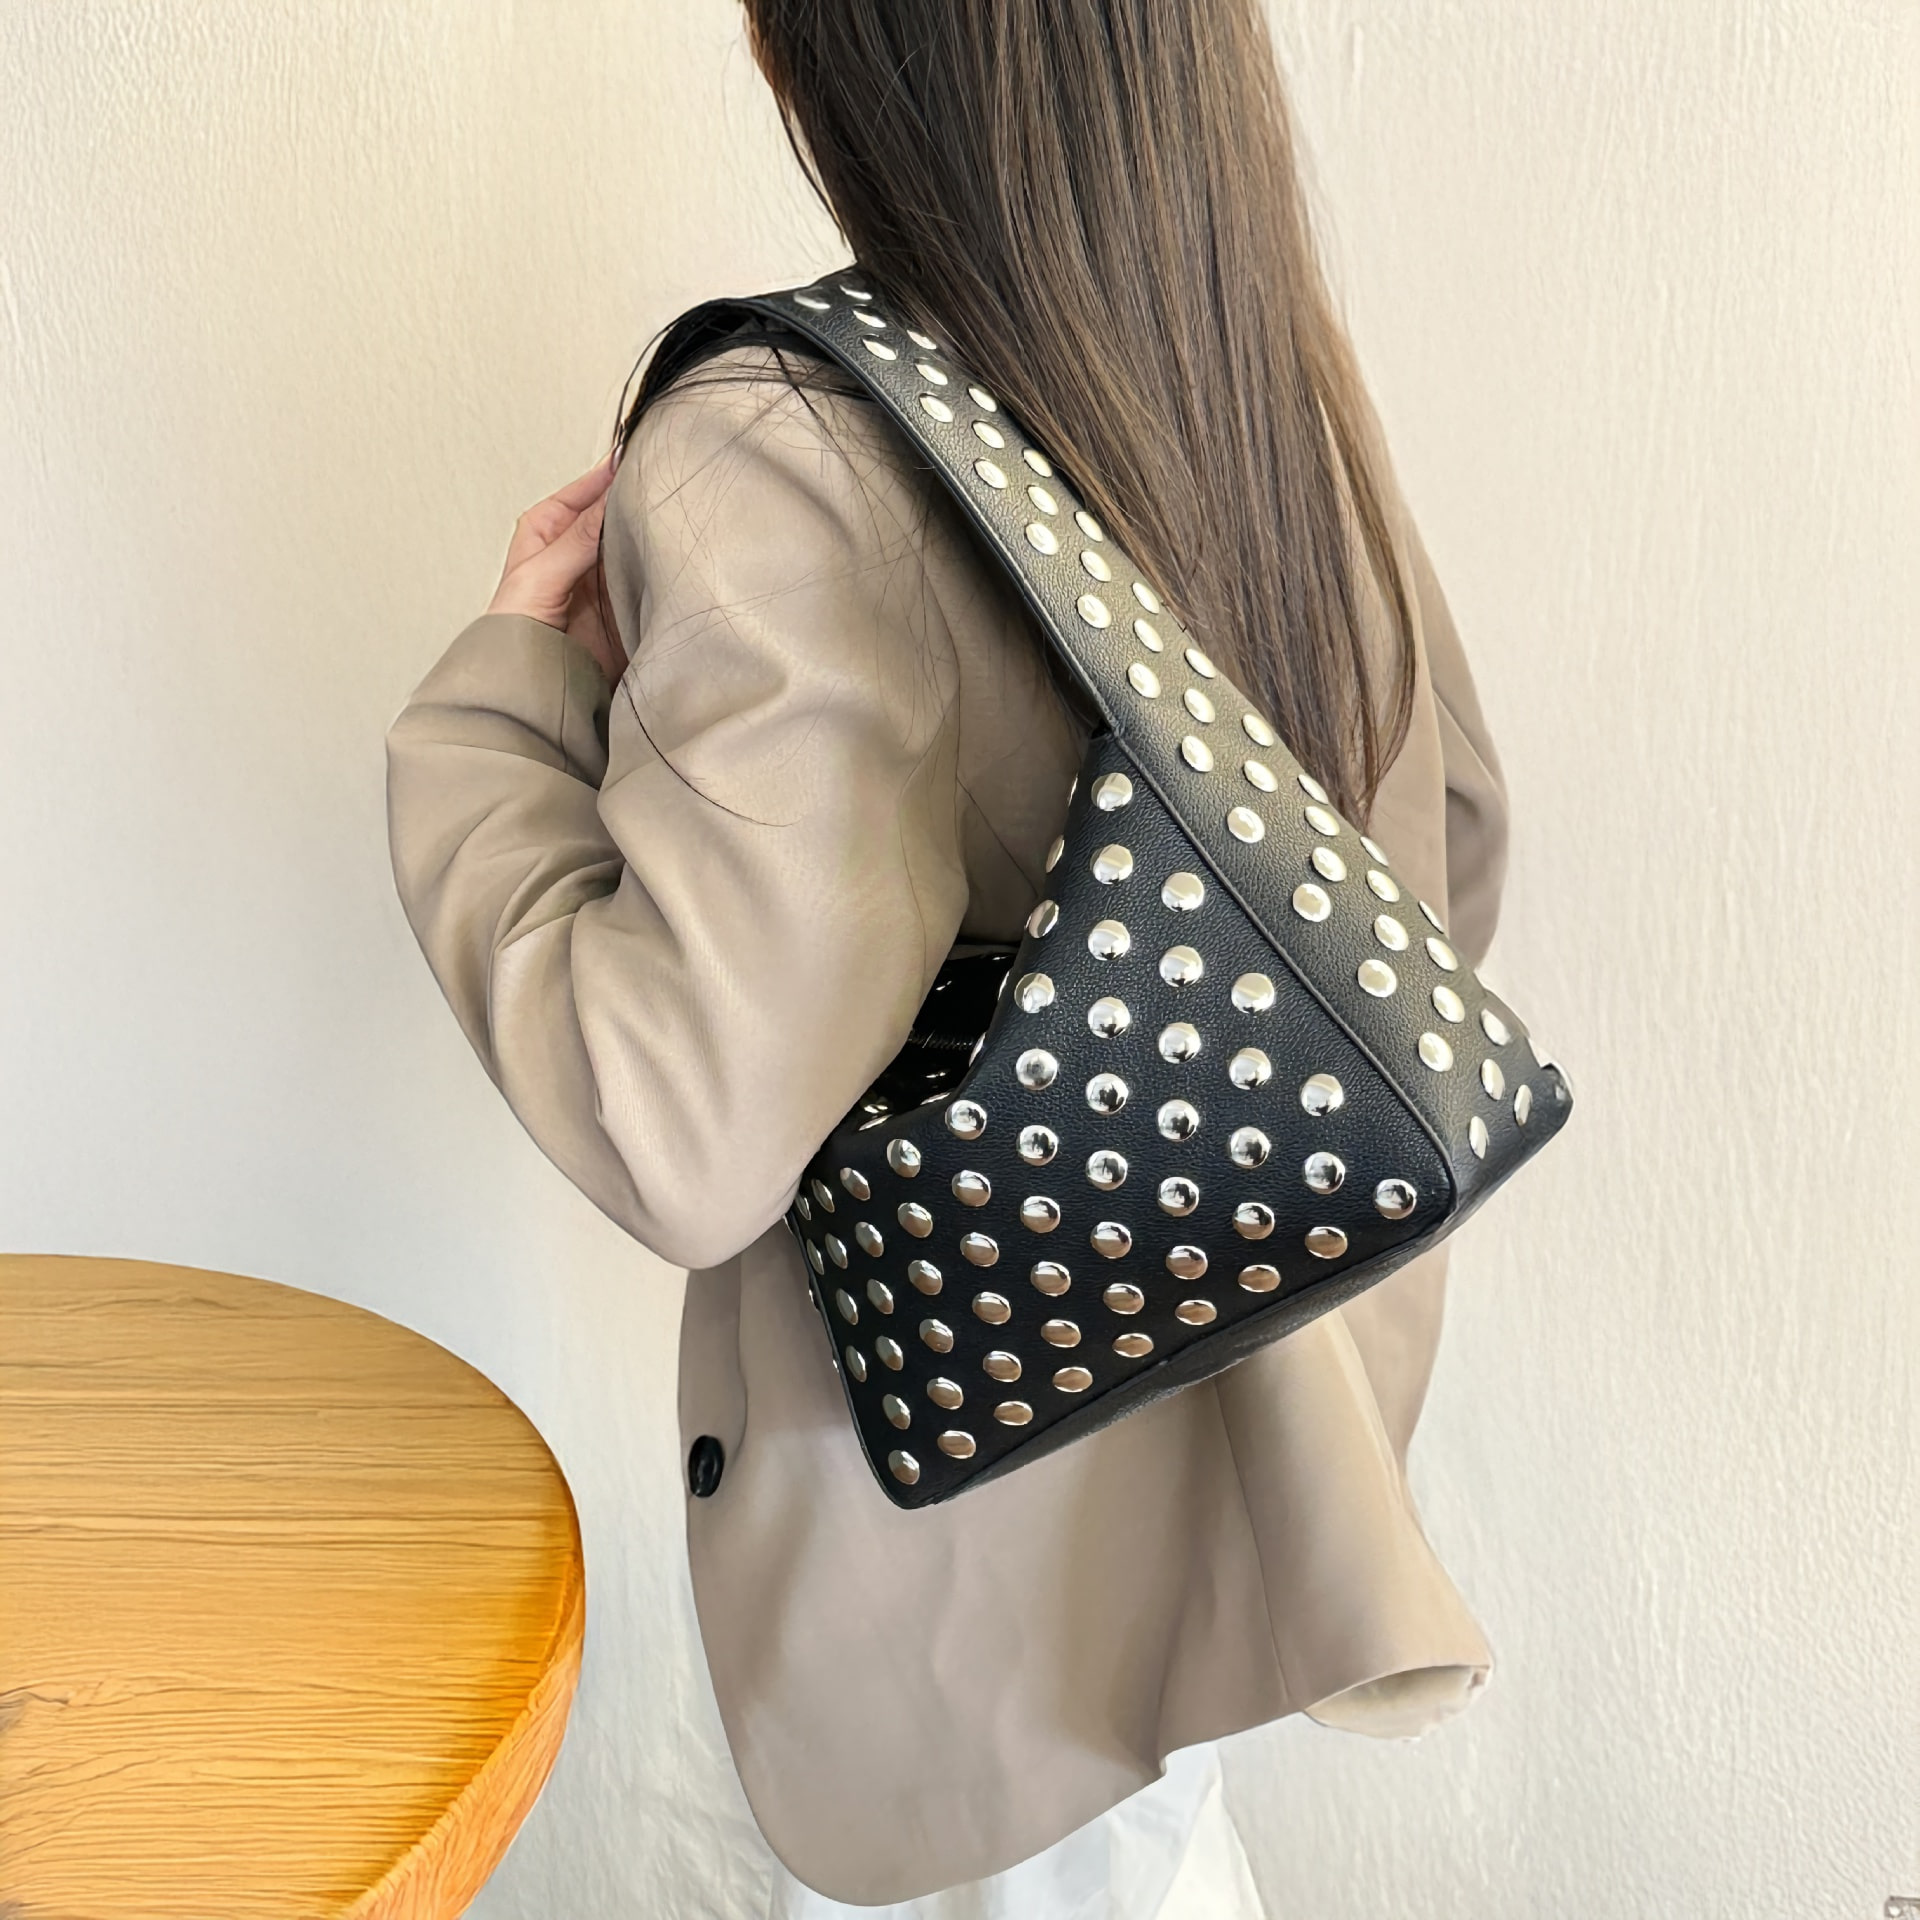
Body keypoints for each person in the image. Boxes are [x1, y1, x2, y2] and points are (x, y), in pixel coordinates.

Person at [386, 0, 1512, 1903]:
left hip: (940, 1552)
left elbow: (679, 1128)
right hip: (1217, 1460)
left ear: (817, 56)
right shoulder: (1253, 379)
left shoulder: (783, 445)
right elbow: (1446, 854)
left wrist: (499, 714)